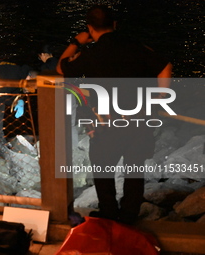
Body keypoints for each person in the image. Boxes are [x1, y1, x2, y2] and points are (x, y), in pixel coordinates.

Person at [57, 5, 172, 224]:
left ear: (90, 28)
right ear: (115, 25)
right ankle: (129, 214)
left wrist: (76, 42)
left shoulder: (91, 54)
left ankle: (108, 212)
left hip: (105, 121)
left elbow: (62, 69)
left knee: (102, 167)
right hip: (138, 119)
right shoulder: (135, 47)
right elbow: (165, 66)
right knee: (134, 168)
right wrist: (158, 100)